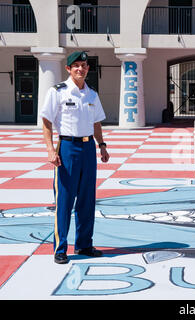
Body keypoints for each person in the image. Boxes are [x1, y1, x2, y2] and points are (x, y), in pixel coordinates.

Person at [40, 51, 110, 264]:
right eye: (76, 65)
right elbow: (46, 121)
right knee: (65, 199)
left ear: (88, 69)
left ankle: (84, 245)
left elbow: (96, 122)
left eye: (84, 65)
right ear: (68, 69)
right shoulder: (58, 91)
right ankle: (60, 249)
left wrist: (102, 145)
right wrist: (51, 150)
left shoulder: (92, 95)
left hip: (88, 149)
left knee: (87, 200)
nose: (81, 69)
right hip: (67, 148)